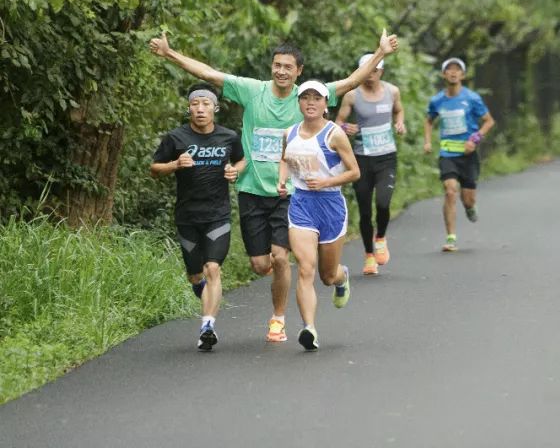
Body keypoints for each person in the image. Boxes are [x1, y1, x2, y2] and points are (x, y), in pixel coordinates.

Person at [149, 29, 397, 343]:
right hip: (253, 189)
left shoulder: (309, 97)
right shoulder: (252, 91)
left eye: (288, 67)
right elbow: (209, 74)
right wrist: (170, 54)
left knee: (281, 257)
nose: (281, 71)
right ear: (272, 67)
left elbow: (350, 81)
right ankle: (292, 282)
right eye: (277, 65)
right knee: (259, 264)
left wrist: (380, 53)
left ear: (299, 72)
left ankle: (278, 319)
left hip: (290, 193)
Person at [150, 84, 246, 351]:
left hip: (218, 215)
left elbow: (241, 160)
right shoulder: (175, 138)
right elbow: (154, 169)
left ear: (215, 108)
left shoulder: (228, 136)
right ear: (189, 108)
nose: (200, 109)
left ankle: (208, 326)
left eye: (206, 104)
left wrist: (234, 171)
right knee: (195, 275)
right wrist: (174, 164)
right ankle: (203, 294)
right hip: (187, 216)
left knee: (212, 268)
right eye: (195, 104)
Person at [277, 81, 360, 351]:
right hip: (301, 204)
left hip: (331, 205)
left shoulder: (334, 134)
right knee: (305, 268)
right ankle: (309, 328)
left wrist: (325, 182)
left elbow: (354, 172)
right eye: (305, 98)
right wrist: (282, 181)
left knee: (326, 275)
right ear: (298, 103)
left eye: (317, 98)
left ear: (326, 104)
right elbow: (284, 159)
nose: (310, 103)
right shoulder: (289, 133)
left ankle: (341, 277)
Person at [335, 54, 405, 276]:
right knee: (365, 211)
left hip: (386, 157)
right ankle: (369, 256)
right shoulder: (352, 96)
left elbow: (399, 110)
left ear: (381, 71)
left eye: (374, 69)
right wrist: (346, 128)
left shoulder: (392, 92)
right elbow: (338, 123)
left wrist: (400, 122)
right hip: (362, 159)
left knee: (383, 202)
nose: (370, 73)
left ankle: (381, 237)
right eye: (366, 69)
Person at [424, 58, 495, 252]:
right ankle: (451, 237)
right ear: (443, 74)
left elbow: (488, 121)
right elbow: (429, 120)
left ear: (462, 75)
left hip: (468, 155)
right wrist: (428, 141)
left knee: (468, 198)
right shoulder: (437, 100)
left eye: (457, 70)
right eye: (449, 69)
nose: (453, 72)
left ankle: (470, 207)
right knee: (450, 190)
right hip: (448, 154)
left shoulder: (472, 98)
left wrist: (476, 139)